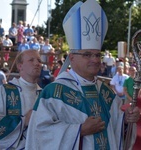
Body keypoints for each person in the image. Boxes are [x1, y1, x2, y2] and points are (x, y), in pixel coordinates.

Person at [25, 0, 140, 150]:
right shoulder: (54, 93)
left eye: (97, 55)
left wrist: (126, 120)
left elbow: (116, 128)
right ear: (71, 58)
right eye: (87, 54)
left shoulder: (105, 92)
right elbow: (39, 134)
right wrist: (79, 130)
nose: (95, 60)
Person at [0, 50, 42, 149]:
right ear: (20, 66)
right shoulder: (6, 91)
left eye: (39, 60)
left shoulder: (44, 95)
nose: (37, 63)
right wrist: (24, 121)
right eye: (31, 60)